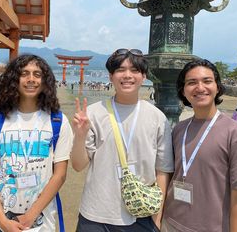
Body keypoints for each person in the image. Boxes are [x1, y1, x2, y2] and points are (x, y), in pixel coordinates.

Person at [71, 48, 174, 231]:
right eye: (120, 70)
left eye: (134, 70)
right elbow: (78, 165)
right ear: (111, 77)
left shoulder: (157, 118)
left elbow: (162, 170)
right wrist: (79, 136)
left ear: (144, 77)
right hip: (95, 213)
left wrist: (156, 219)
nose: (127, 75)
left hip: (140, 214)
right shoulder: (94, 113)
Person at [0, 54, 73, 231]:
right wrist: (1, 220)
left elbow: (60, 174)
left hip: (40, 221)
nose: (31, 79)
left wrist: (30, 216)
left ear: (45, 81)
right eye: (24, 73)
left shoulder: (57, 121)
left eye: (37, 74)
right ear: (14, 79)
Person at [162, 59, 237, 232]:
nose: (200, 88)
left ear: (217, 87)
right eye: (191, 83)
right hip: (170, 223)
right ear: (183, 90)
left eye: (207, 81)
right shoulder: (179, 129)